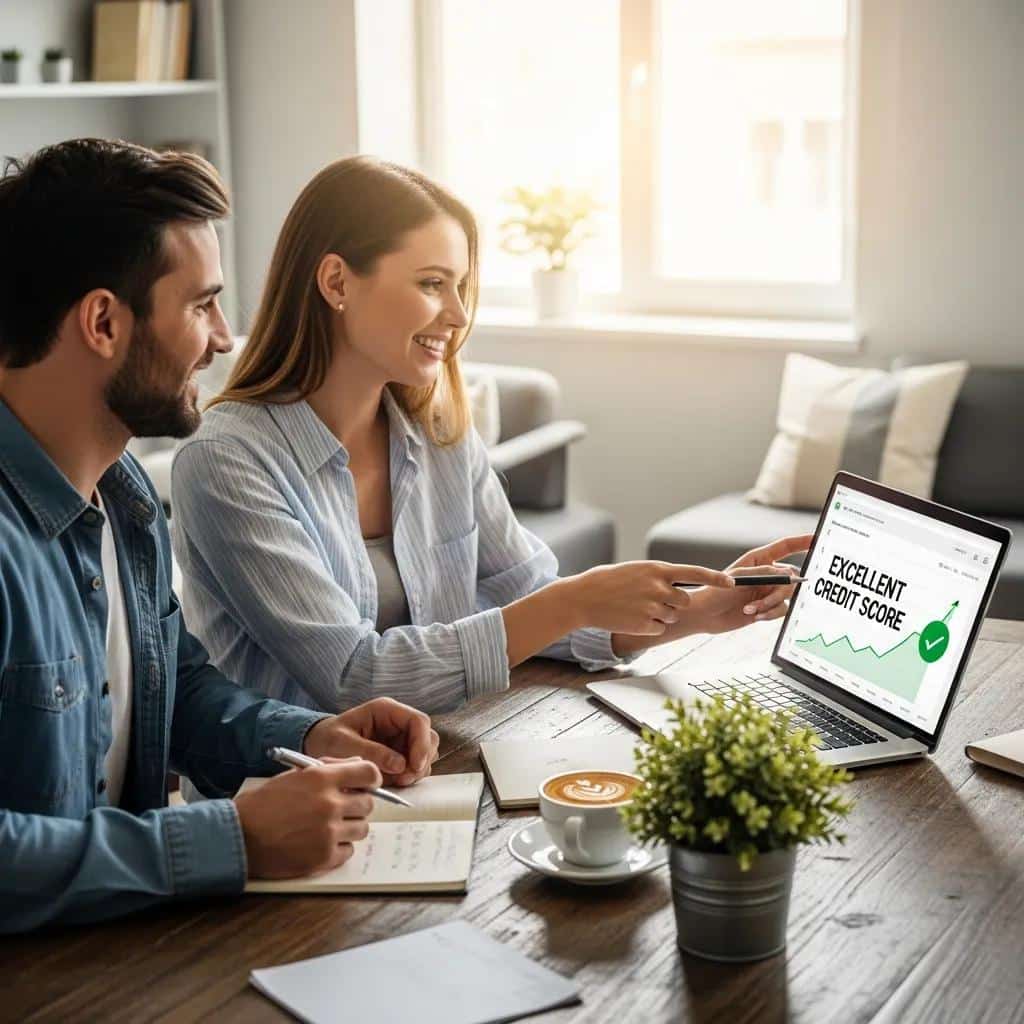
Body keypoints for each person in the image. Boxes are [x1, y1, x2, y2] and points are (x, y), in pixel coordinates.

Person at [170, 155, 811, 716]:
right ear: (337, 282)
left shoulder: (438, 435)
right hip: (289, 806)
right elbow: (352, 676)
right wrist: (573, 601)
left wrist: (694, 611)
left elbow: (528, 602)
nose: (456, 315)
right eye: (431, 284)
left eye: (462, 287)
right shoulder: (227, 462)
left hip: (431, 765)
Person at [0, 139, 439, 935]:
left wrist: (308, 733)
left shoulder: (128, 498)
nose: (226, 336)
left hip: (130, 954)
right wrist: (226, 838)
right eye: (202, 304)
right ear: (103, 321)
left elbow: (178, 689)